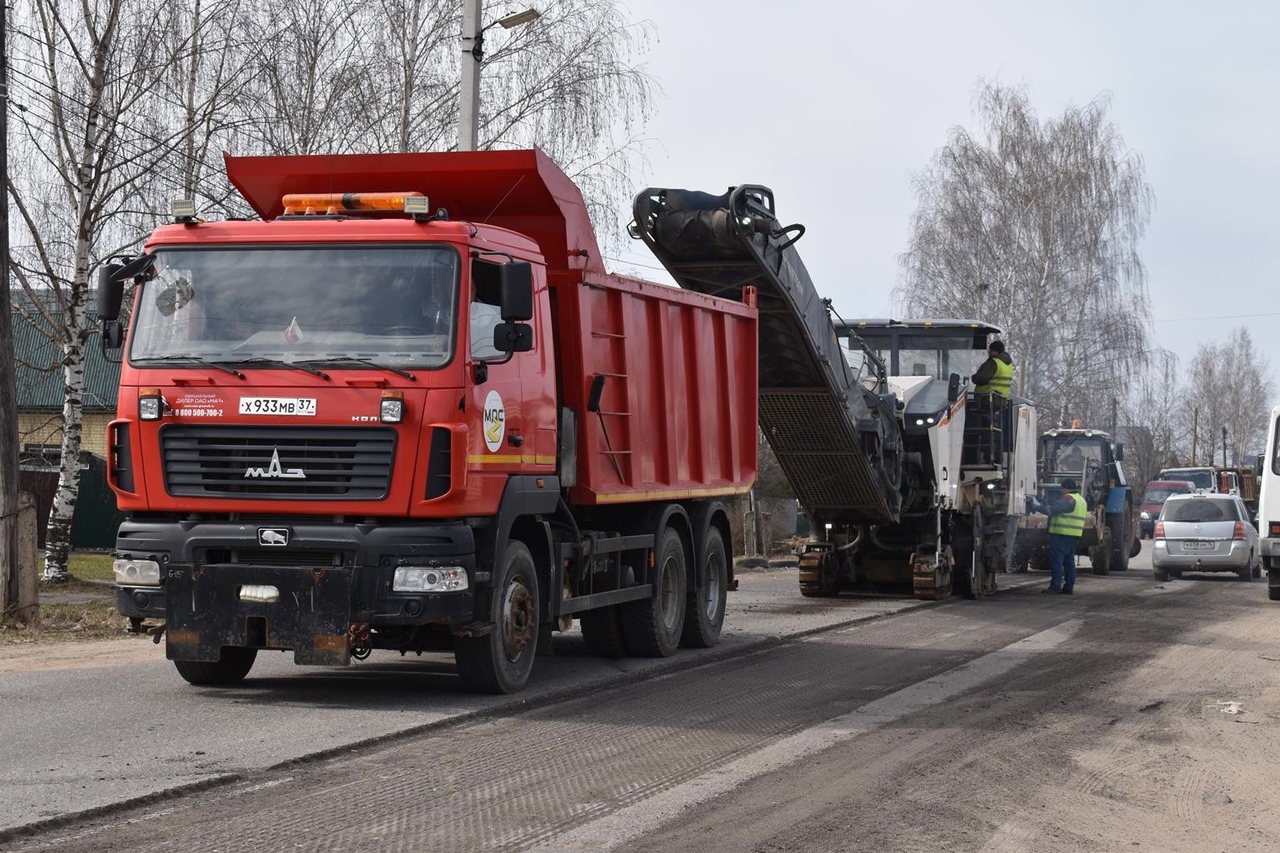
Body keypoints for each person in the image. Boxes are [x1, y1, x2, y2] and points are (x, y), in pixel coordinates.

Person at [1031, 478, 1088, 595]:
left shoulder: (1068, 499)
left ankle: (1055, 586)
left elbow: (1052, 510)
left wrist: (1036, 506)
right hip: (1074, 536)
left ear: (1065, 488)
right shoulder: (1081, 500)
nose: (1061, 491)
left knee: (1056, 561)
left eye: (1062, 488)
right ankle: (1068, 588)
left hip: (1061, 535)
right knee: (1069, 562)